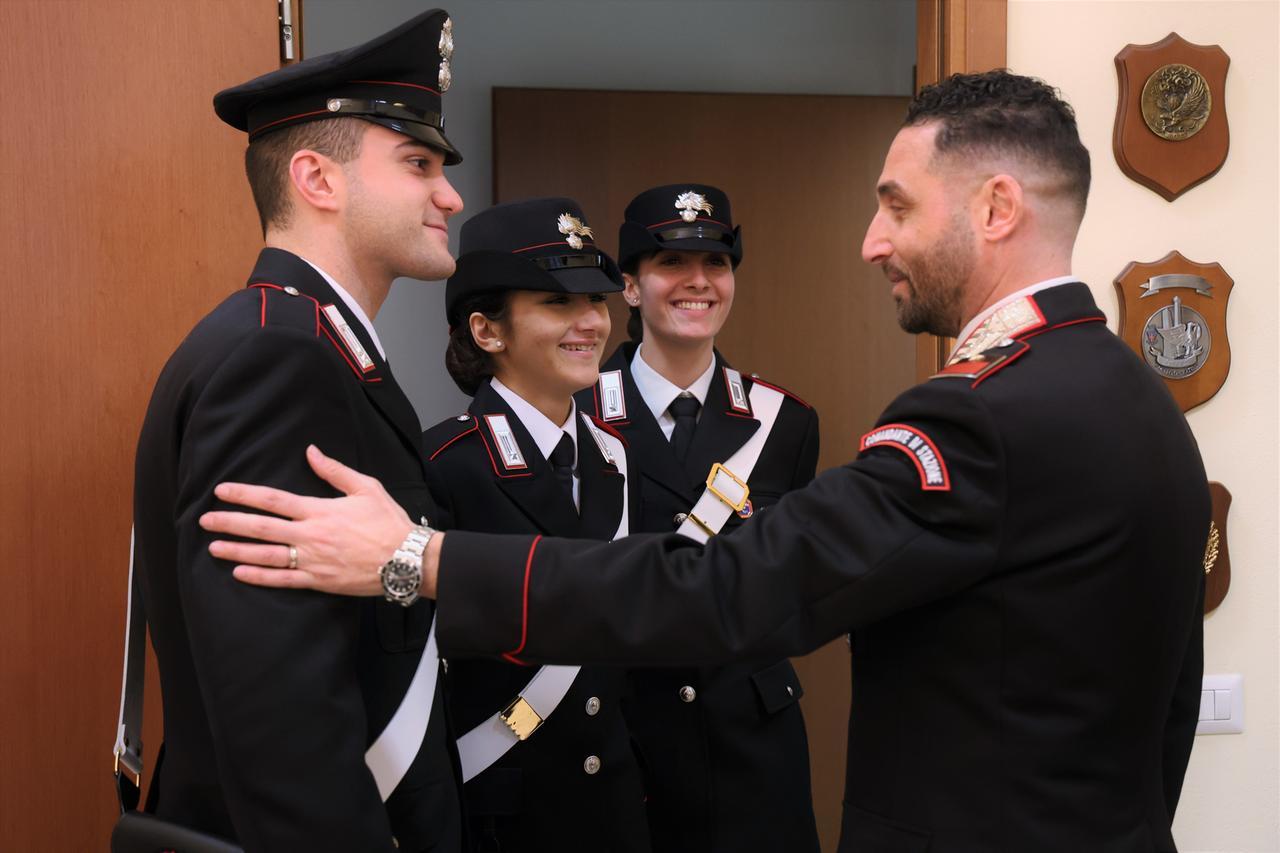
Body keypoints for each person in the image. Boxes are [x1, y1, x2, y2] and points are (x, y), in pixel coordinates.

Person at [204, 71, 1209, 852]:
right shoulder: (1137, 404)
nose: (869, 242)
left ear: (994, 209)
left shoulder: (982, 419)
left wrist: (417, 560)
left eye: (895, 207)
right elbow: (1163, 705)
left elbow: (733, 588)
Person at [132, 10, 467, 850]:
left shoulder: (298, 342)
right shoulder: (279, 360)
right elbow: (280, 712)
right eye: (419, 163)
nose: (451, 195)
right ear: (318, 178)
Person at [578, 184, 819, 852]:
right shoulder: (577, 414)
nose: (698, 281)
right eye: (670, 263)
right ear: (629, 286)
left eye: (717, 263)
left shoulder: (785, 421)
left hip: (752, 743)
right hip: (625, 737)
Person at [423, 197, 650, 852]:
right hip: (506, 809)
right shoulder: (442, 466)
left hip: (614, 806)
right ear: (488, 331)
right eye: (557, 302)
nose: (590, 322)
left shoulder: (614, 456)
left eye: (597, 301)